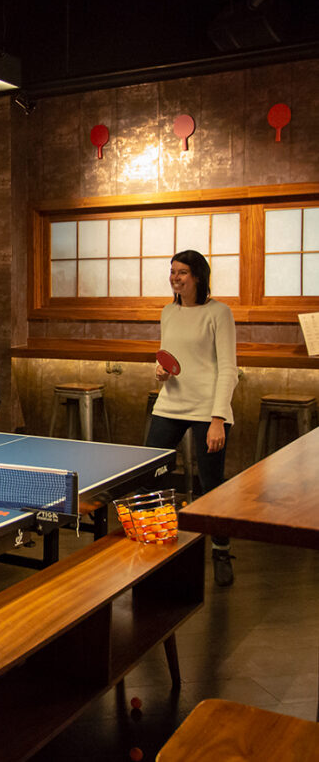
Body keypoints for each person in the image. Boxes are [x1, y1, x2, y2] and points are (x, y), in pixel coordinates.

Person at [146, 249, 237, 586]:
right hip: (170, 404)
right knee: (150, 472)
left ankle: (221, 551)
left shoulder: (219, 313)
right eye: (172, 271)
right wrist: (159, 371)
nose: (175, 277)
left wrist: (218, 418)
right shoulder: (168, 312)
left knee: (211, 485)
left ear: (198, 276)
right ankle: (154, 538)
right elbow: (168, 357)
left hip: (207, 409)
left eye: (182, 272)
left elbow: (228, 368)